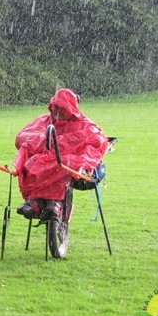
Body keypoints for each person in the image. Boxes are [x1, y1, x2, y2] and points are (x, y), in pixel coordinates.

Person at [14, 88, 108, 220]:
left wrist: (60, 145)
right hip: (47, 161)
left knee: (62, 165)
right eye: (56, 107)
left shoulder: (84, 124)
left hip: (67, 163)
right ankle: (39, 202)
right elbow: (22, 137)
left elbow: (96, 140)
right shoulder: (44, 121)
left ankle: (50, 202)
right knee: (36, 163)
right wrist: (45, 143)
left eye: (62, 108)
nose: (57, 111)